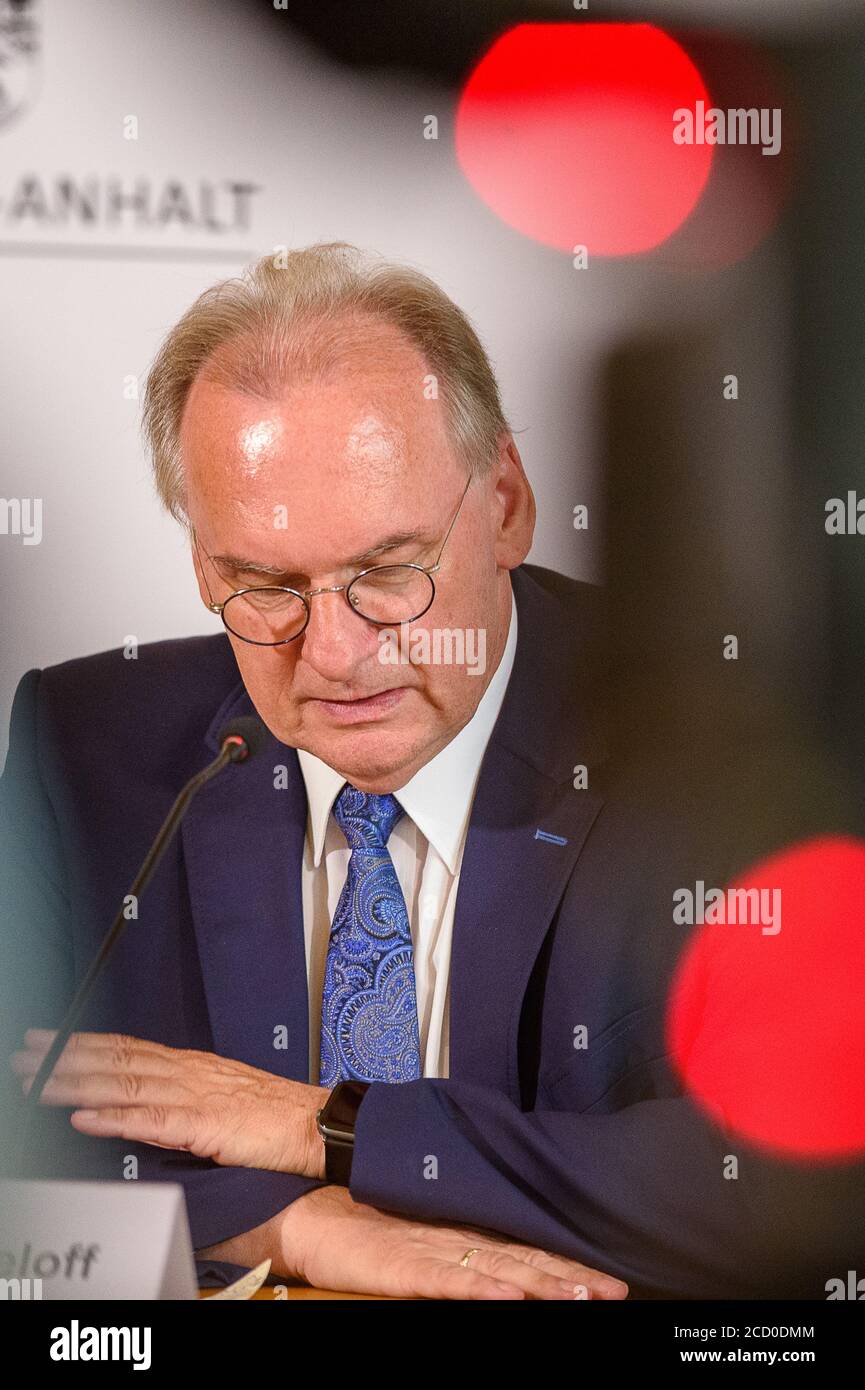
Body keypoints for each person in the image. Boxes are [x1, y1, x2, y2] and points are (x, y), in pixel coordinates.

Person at [2, 244, 859, 1301]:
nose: (333, 653)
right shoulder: (89, 749)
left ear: (505, 504)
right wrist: (296, 1224)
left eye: (388, 572)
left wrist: (333, 1129)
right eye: (262, 584)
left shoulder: (718, 742)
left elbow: (797, 1182)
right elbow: (18, 1148)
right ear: (200, 562)